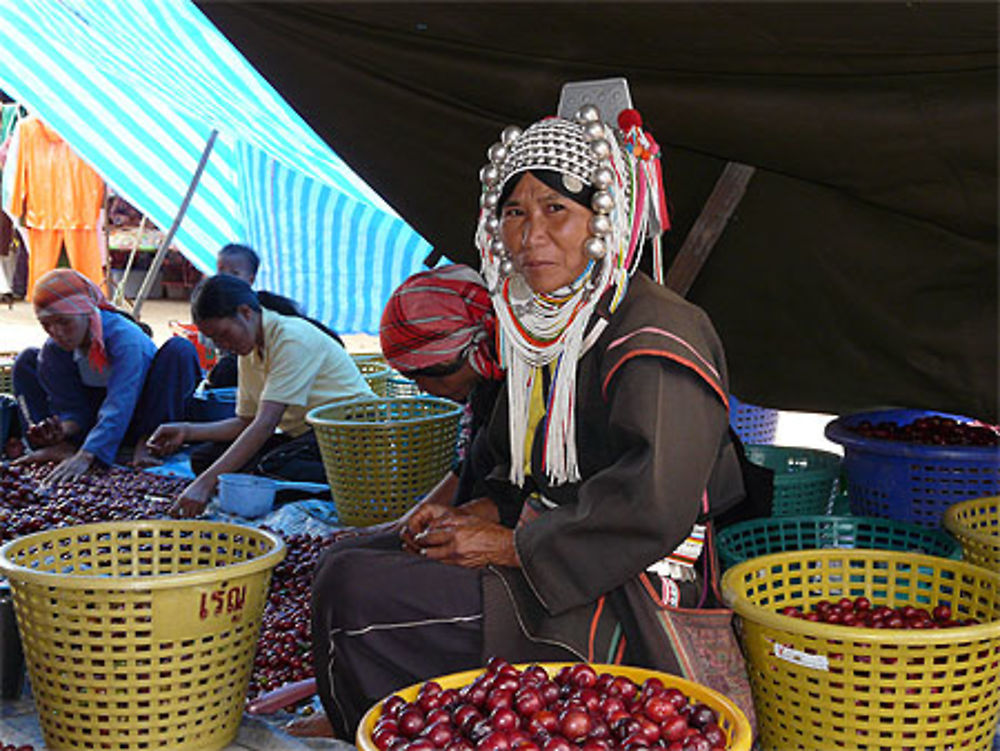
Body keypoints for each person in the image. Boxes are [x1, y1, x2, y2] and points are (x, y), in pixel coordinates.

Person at [307, 101, 747, 738]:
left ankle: (397, 726)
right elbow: (517, 466)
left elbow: (652, 504)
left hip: (620, 580)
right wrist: (476, 513)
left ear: (604, 217)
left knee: (361, 599)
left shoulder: (657, 332)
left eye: (556, 210)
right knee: (343, 563)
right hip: (547, 537)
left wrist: (510, 544)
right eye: (514, 213)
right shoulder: (537, 323)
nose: (531, 236)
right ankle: (399, 723)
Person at [146, 274, 373, 517]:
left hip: (351, 433)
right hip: (309, 435)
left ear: (246, 312)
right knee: (205, 459)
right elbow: (246, 422)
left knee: (267, 468)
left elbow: (264, 424)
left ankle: (357, 481)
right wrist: (187, 431)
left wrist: (204, 484)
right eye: (214, 340)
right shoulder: (250, 350)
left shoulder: (291, 339)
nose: (221, 345)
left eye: (223, 334)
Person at [12, 268, 201, 484]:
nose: (57, 332)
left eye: (64, 322)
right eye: (47, 325)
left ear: (86, 313)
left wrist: (88, 454)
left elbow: (121, 402)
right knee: (26, 360)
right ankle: (59, 447)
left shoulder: (125, 340)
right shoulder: (55, 349)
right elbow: (71, 408)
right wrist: (61, 430)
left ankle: (148, 442)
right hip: (95, 417)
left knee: (180, 350)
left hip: (140, 413)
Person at [380, 263, 504, 510]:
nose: (424, 389)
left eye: (421, 377)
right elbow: (468, 467)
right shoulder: (482, 392)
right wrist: (406, 521)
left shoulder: (517, 394)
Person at [208, 243, 343, 388]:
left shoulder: (265, 306)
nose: (226, 279)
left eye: (235, 273)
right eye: (221, 272)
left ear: (251, 280)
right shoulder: (218, 310)